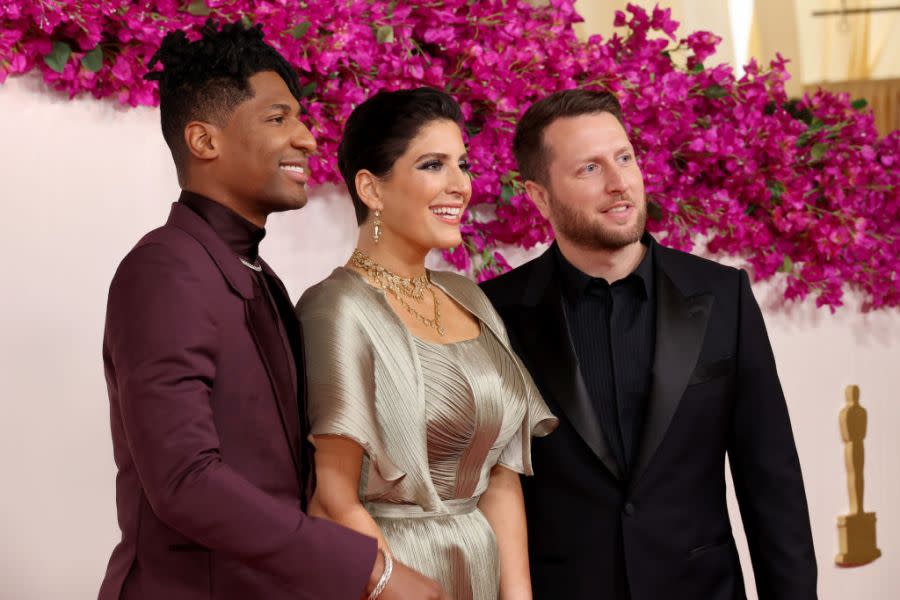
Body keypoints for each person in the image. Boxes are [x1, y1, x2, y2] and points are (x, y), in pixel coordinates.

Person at [99, 21, 440, 599]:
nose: (307, 138)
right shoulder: (164, 270)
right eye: (278, 119)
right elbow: (184, 480)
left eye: (300, 119)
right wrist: (370, 570)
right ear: (205, 141)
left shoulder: (260, 278)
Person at [479, 89, 818, 600]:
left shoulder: (722, 296)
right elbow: (487, 492)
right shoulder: (495, 312)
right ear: (539, 196)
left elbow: (772, 483)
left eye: (625, 158)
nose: (620, 184)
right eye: (589, 169)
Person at [296, 87, 558, 600]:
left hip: (479, 564)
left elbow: (501, 479)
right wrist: (406, 589)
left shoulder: (469, 298)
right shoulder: (336, 309)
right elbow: (333, 499)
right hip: (391, 575)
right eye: (433, 165)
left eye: (462, 164)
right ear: (371, 189)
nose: (460, 185)